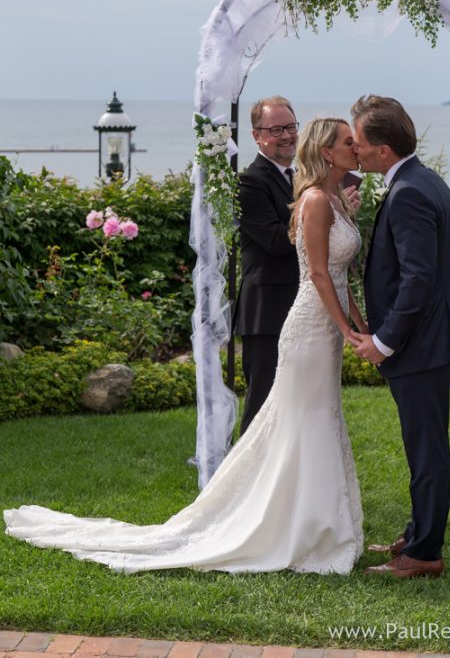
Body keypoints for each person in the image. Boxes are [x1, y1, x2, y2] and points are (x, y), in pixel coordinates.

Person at [4, 118, 366, 575]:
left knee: (319, 420)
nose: (358, 147)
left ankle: (321, 523)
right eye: (348, 142)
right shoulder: (314, 199)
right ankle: (299, 528)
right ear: (328, 152)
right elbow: (316, 274)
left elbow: (340, 275)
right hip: (310, 328)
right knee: (303, 423)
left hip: (327, 330)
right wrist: (348, 329)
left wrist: (359, 325)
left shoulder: (335, 199)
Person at [349, 95, 450, 580]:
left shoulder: (410, 192)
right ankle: (420, 530)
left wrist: (384, 341)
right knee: (425, 443)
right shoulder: (422, 180)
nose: (354, 150)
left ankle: (424, 553)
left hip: (418, 343)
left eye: (358, 142)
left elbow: (418, 280)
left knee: (425, 449)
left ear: (381, 149)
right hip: (427, 341)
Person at [233, 96, 300, 434]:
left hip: (299, 307)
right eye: (276, 130)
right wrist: (319, 212)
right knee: (261, 405)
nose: (287, 136)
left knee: (293, 404)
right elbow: (275, 242)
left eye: (290, 127)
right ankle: (243, 483)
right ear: (257, 136)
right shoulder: (249, 183)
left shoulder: (298, 178)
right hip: (266, 311)